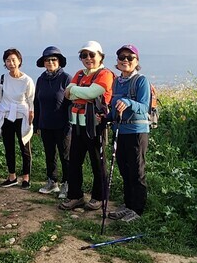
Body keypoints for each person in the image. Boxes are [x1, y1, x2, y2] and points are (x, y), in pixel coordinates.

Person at [58, 41, 114, 211]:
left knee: (98, 162)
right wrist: (82, 93)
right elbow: (67, 94)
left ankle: (99, 197)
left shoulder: (105, 74)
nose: (88, 58)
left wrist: (76, 91)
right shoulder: (80, 73)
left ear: (100, 56)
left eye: (91, 55)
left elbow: (92, 93)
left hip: (95, 124)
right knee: (74, 161)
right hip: (77, 123)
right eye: (84, 55)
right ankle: (75, 196)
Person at [107, 45, 151, 223]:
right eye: (121, 57)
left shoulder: (141, 81)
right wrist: (106, 117)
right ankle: (128, 205)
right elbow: (114, 109)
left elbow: (144, 107)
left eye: (130, 57)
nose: (125, 60)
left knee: (136, 170)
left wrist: (128, 102)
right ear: (117, 61)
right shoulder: (117, 82)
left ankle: (137, 209)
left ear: (136, 61)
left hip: (137, 132)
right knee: (124, 170)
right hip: (120, 131)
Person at [0, 48, 34, 188]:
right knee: (8, 146)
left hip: (22, 116)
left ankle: (26, 177)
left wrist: (31, 118)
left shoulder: (27, 80)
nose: (11, 63)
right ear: (5, 62)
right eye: (8, 60)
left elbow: (31, 101)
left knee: (25, 147)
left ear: (19, 61)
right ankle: (12, 176)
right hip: (6, 116)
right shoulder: (2, 79)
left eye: (13, 60)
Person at [33, 46, 71, 198]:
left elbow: (71, 104)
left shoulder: (66, 78)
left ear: (59, 61)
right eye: (47, 60)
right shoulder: (41, 79)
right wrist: (36, 124)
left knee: (65, 156)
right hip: (45, 124)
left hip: (63, 125)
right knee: (50, 155)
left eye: (54, 59)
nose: (50, 62)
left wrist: (69, 124)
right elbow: (37, 103)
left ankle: (67, 184)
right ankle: (52, 181)